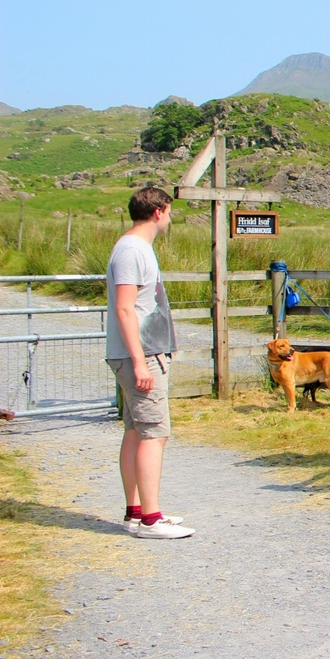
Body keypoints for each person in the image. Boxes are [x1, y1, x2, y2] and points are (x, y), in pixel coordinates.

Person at [107, 187, 194, 539]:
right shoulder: (131, 250)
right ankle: (151, 520)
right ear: (158, 212)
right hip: (141, 355)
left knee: (135, 430)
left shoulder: (137, 249)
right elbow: (125, 308)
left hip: (140, 353)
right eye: (169, 212)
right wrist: (141, 363)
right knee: (154, 433)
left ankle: (137, 510)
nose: (170, 218)